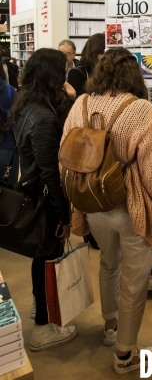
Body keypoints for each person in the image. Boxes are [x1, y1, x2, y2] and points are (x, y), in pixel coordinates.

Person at [66, 48, 152, 374]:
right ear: (134, 76)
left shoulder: (81, 104)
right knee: (134, 281)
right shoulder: (141, 109)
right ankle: (125, 354)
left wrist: (75, 202)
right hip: (130, 209)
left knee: (107, 262)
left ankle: (110, 328)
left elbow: (66, 155)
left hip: (92, 205)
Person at [11, 49, 76, 350]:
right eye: (62, 69)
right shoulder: (43, 118)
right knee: (49, 258)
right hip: (45, 200)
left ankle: (41, 310)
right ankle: (41, 328)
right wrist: (64, 216)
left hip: (33, 193)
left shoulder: (26, 105)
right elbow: (51, 173)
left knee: (42, 257)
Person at [67, 33, 105, 98]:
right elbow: (78, 100)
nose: (106, 57)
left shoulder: (109, 70)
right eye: (102, 53)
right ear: (94, 53)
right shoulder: (77, 73)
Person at [0, 57, 18, 187]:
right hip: (6, 145)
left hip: (6, 146)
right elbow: (16, 122)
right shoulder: (9, 91)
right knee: (8, 193)